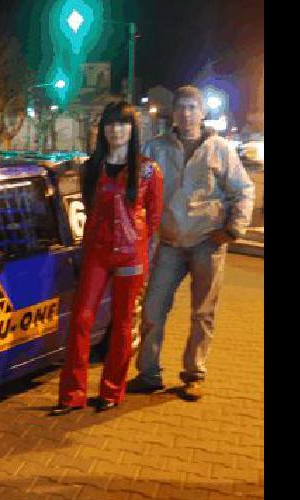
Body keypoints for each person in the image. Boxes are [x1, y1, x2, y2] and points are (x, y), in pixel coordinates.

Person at [127, 85, 254, 401]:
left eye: (191, 107)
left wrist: (232, 230)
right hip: (168, 243)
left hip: (206, 244)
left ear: (203, 113)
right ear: (173, 112)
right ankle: (149, 373)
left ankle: (194, 374)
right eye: (181, 107)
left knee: (202, 313)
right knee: (153, 310)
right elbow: (135, 186)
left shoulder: (219, 148)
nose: (186, 113)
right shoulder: (156, 148)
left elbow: (244, 190)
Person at [52, 101, 163, 415]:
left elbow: (153, 218)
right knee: (82, 319)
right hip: (98, 255)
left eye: (123, 124)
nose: (117, 130)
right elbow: (90, 206)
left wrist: (137, 245)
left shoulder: (148, 169)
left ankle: (112, 391)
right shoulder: (93, 166)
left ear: (133, 129)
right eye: (111, 124)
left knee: (122, 323)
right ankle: (72, 395)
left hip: (131, 257)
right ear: (103, 130)